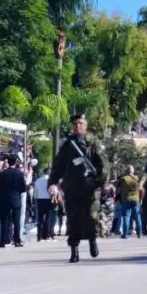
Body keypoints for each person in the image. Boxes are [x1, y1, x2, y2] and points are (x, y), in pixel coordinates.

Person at [49, 112, 106, 263]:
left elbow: (103, 164)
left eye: (80, 123)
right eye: (75, 124)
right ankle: (74, 251)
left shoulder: (93, 143)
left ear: (85, 125)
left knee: (91, 217)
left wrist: (100, 182)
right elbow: (58, 166)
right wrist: (52, 183)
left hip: (90, 187)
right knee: (73, 220)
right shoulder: (67, 145)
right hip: (72, 188)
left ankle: (92, 240)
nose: (77, 126)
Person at [0, 154, 27, 249]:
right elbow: (23, 188)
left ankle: (2, 241)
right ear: (15, 163)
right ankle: (17, 240)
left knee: (4, 220)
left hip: (4, 199)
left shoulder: (2, 174)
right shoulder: (19, 174)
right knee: (16, 221)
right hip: (16, 199)